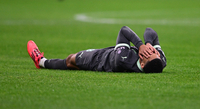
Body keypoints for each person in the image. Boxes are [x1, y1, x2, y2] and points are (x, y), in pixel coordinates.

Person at [27, 26, 166, 73]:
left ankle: (41, 61)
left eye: (149, 53)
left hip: (100, 59)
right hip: (114, 52)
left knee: (71, 60)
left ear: (142, 63)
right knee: (73, 64)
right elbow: (150, 31)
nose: (152, 51)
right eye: (154, 52)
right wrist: (147, 43)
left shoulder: (123, 59)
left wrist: (139, 44)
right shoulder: (160, 60)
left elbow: (124, 31)